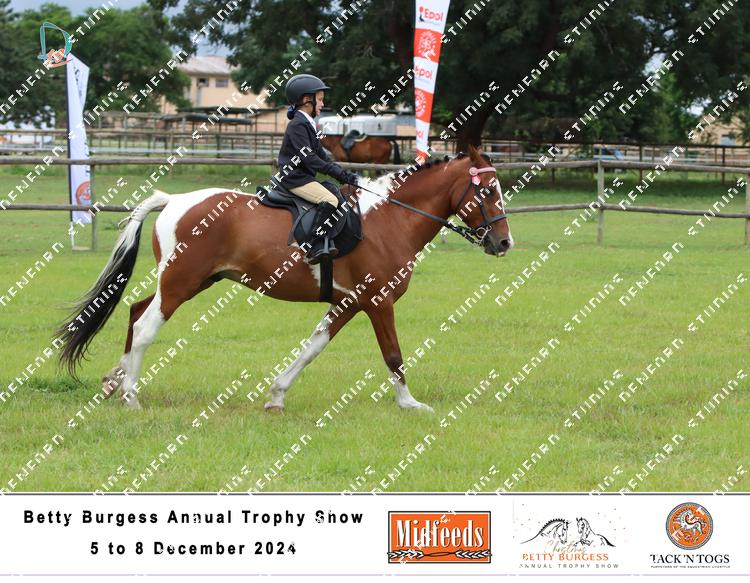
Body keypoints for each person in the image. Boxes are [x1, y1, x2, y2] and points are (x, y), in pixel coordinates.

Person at [277, 74, 360, 264]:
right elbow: (310, 158)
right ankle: (313, 245)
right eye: (320, 99)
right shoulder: (298, 125)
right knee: (329, 200)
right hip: (294, 178)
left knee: (334, 192)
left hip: (303, 177)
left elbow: (322, 156)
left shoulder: (307, 123)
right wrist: (338, 173)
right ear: (308, 100)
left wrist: (344, 175)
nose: (322, 104)